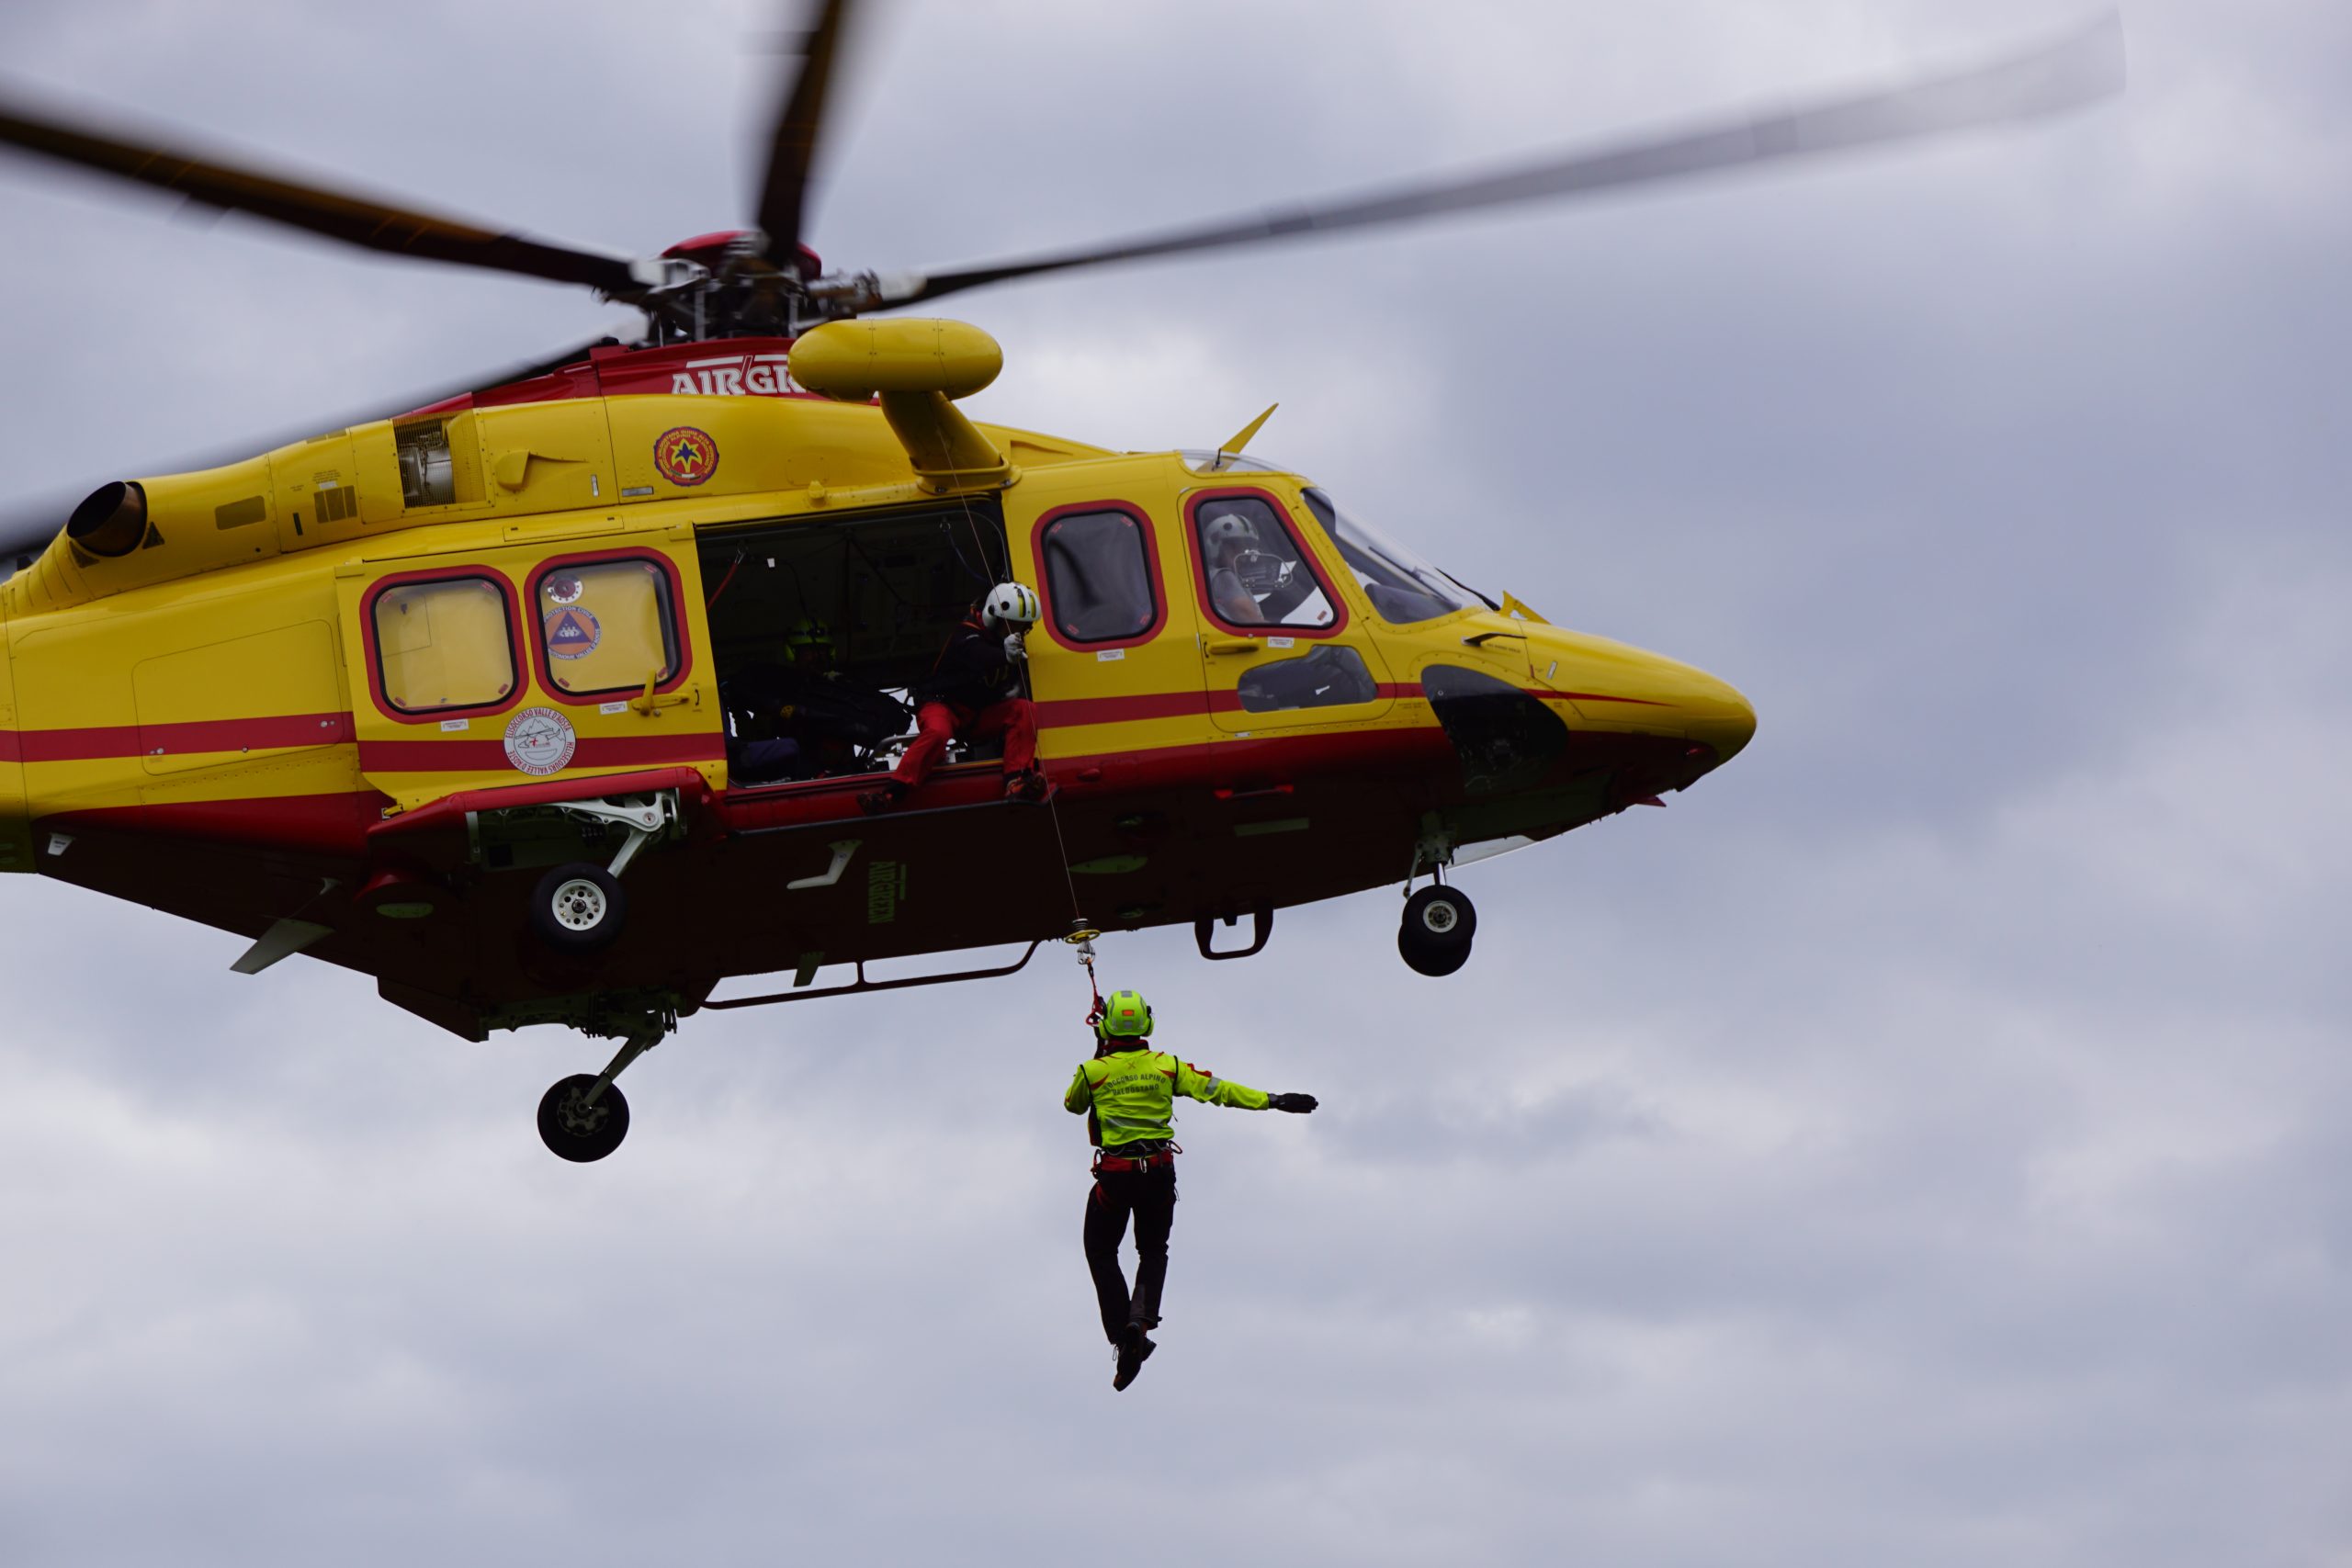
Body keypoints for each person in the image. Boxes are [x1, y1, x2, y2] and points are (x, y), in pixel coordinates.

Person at [1062, 987, 1317, 1391]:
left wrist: (1100, 1056)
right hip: (1159, 1174)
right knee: (1152, 1250)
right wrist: (1273, 1100)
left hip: (1117, 1175)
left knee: (1100, 1248)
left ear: (1106, 1024)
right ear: (1147, 1022)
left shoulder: (1093, 1072)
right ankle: (1139, 1324)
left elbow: (1073, 1105)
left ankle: (1121, 1334)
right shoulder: (1168, 1066)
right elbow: (1219, 1090)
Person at [860, 581, 1044, 811]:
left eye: (1023, 628)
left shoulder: (1007, 647)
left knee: (1024, 709)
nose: (1018, 633)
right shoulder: (965, 635)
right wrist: (1004, 656)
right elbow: (977, 654)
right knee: (938, 732)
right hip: (942, 706)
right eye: (1013, 626)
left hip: (976, 716)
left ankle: (1016, 781)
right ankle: (892, 793)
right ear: (994, 618)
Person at [723, 617, 903, 784]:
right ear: (793, 653)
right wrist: (739, 713)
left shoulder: (844, 690)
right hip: (803, 779)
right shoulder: (779, 697)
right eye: (809, 651)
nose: (817, 657)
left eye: (822, 651)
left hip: (845, 776)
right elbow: (756, 742)